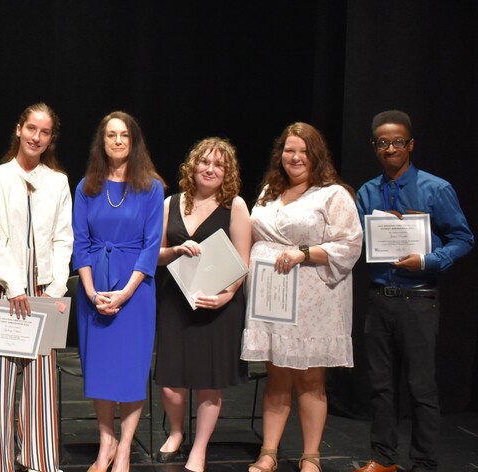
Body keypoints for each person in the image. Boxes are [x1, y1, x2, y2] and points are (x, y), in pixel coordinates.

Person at [352, 111, 473, 472]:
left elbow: (463, 238)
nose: (391, 148)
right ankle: (384, 458)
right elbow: (356, 240)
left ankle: (423, 462)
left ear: (411, 144)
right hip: (378, 299)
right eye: (383, 143)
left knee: (421, 388)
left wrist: (428, 261)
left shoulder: (436, 189)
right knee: (380, 386)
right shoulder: (367, 192)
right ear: (375, 147)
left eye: (398, 142)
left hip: (419, 298)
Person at [242, 122, 362, 472]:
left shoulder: (333, 194)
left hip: (314, 298)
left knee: (310, 379)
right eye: (289, 150)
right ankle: (268, 452)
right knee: (276, 376)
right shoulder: (268, 191)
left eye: (303, 150)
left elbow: (350, 244)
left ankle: (311, 455)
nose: (295, 157)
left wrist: (304, 253)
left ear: (316, 155)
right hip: (272, 296)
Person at [0, 103, 72, 472]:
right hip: (4, 290)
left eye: (44, 132)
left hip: (44, 291)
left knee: (41, 386)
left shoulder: (58, 181)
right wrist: (15, 286)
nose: (36, 137)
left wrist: (56, 288)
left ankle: (40, 461)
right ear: (19, 129)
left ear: (51, 138)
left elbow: (64, 239)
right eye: (31, 128)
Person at [72, 111, 164, 472]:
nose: (118, 141)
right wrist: (93, 293)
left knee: (130, 370)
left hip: (135, 290)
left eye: (124, 135)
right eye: (111, 135)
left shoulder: (151, 187)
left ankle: (124, 447)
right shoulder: (86, 187)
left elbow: (151, 246)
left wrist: (125, 293)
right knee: (100, 370)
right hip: (95, 287)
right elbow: (80, 244)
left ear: (134, 140)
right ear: (102, 141)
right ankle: (105, 442)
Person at [153, 138, 251, 472]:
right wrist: (176, 252)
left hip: (218, 305)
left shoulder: (235, 206)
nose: (210, 169)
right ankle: (177, 432)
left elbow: (242, 261)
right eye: (204, 162)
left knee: (210, 381)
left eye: (219, 165)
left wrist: (225, 296)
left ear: (228, 172)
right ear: (192, 167)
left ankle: (200, 448)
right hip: (174, 301)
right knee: (170, 381)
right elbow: (156, 255)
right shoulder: (171, 203)